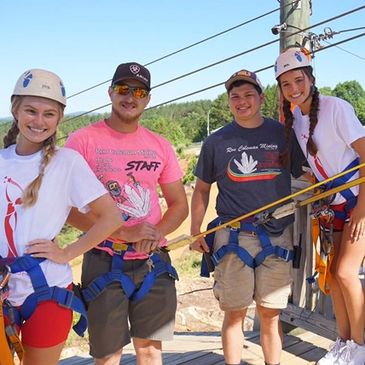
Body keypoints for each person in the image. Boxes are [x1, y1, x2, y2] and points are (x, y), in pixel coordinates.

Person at [65, 62, 188, 365]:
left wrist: (156, 234)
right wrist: (121, 232)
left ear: (147, 99)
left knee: (149, 349)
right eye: (123, 89)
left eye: (139, 91)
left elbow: (178, 204)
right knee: (108, 355)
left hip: (151, 262)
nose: (130, 96)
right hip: (104, 260)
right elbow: (66, 208)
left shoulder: (160, 145)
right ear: (110, 92)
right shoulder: (82, 142)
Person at [0, 69, 122, 365]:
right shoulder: (2, 161)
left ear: (59, 119)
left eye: (49, 114)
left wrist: (68, 252)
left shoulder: (67, 162)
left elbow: (111, 216)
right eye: (30, 110)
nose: (38, 121)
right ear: (15, 109)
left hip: (47, 290)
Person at [190, 69, 305, 365]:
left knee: (270, 312)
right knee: (235, 312)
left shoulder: (282, 135)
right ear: (229, 101)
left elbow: (307, 173)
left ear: (261, 98)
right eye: (235, 97)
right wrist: (196, 231)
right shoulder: (216, 142)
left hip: (277, 233)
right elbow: (202, 190)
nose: (242, 102)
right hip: (232, 235)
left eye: (248, 95)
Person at [275, 48, 365, 365]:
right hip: (335, 203)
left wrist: (361, 210)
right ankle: (345, 343)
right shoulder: (299, 122)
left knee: (345, 272)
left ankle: (361, 348)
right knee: (333, 280)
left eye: (299, 80)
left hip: (360, 201)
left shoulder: (337, 108)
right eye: (286, 84)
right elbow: (324, 161)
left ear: (311, 79)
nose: (294, 88)